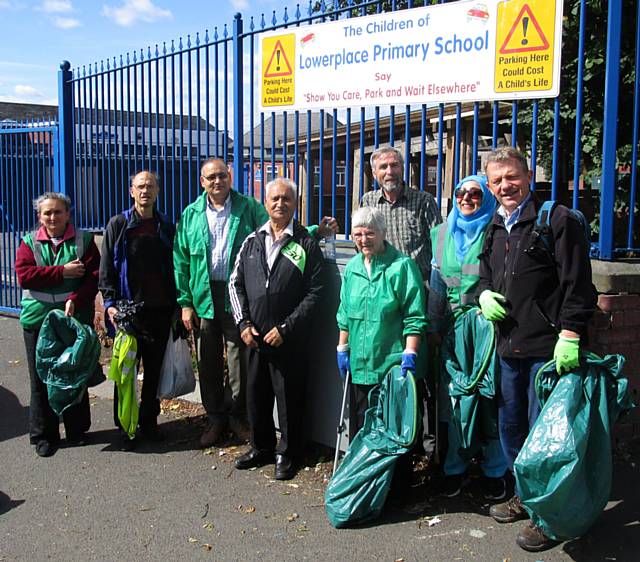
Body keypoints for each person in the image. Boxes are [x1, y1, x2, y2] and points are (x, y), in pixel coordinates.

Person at [478, 147, 597, 552]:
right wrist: (481, 296)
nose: (505, 186)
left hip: (549, 351)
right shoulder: (494, 226)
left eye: (511, 177)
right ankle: (525, 497)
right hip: (508, 348)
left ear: (527, 176)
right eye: (497, 181)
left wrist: (571, 334)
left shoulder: (555, 220)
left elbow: (578, 284)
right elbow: (483, 275)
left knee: (547, 438)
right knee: (513, 429)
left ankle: (549, 518)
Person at [174, 158, 338, 448]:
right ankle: (215, 418)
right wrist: (186, 302)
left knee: (240, 364)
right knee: (208, 361)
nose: (217, 181)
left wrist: (316, 231)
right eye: (211, 177)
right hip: (204, 296)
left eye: (222, 176)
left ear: (230, 177)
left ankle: (238, 418)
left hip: (239, 297)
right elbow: (181, 260)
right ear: (202, 181)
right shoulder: (191, 214)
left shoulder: (248, 207)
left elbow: (277, 228)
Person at [229, 178, 324, 480]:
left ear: (295, 204)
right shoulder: (251, 241)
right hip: (254, 338)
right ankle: (262, 448)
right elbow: (235, 284)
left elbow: (315, 293)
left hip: (289, 339)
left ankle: (289, 452)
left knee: (289, 399)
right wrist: (243, 323)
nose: (280, 204)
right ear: (265, 202)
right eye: (274, 199)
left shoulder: (306, 244)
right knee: (255, 396)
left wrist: (286, 328)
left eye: (286, 199)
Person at [428, 175, 507, 500]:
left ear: (486, 197)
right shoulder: (442, 232)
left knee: (490, 399)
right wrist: (433, 327)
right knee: (454, 399)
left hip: (487, 327)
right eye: (461, 192)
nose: (466, 198)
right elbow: (436, 283)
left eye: (475, 193)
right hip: (452, 330)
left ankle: (495, 470)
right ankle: (454, 468)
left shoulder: (497, 230)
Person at [16, 192, 100, 457]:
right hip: (37, 320)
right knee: (41, 378)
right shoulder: (29, 243)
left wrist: (75, 298)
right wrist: (62, 272)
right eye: (47, 213)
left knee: (75, 374)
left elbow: (92, 277)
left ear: (68, 214)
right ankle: (44, 435)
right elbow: (25, 276)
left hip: (72, 320)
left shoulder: (84, 241)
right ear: (40, 217)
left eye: (58, 212)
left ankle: (77, 430)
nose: (53, 217)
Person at [99, 171, 177, 449]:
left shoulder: (165, 225)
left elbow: (175, 267)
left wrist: (177, 304)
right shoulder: (119, 224)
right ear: (131, 191)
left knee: (153, 373)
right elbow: (107, 267)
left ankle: (149, 423)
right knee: (126, 373)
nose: (145, 191)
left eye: (150, 186)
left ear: (157, 191)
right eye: (140, 186)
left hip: (160, 311)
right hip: (128, 313)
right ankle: (125, 428)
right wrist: (109, 303)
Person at [336, 207, 427, 436]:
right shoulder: (353, 268)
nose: (363, 240)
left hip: (391, 365)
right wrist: (342, 348)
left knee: (392, 429)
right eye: (358, 235)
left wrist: (411, 352)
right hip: (359, 365)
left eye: (369, 234)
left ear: (382, 233)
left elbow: (414, 315)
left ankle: (396, 474)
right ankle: (365, 472)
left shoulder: (401, 267)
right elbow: (345, 314)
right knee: (362, 428)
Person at [360, 146, 441, 283]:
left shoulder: (424, 201)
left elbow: (439, 245)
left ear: (403, 169)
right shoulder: (368, 201)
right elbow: (361, 242)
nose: (389, 171)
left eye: (394, 165)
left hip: (419, 283)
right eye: (383, 167)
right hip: (383, 282)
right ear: (374, 174)